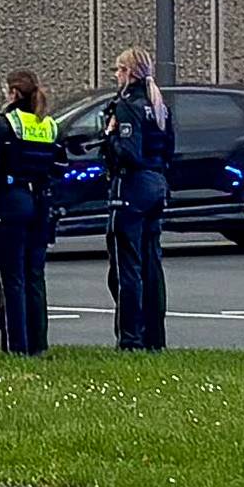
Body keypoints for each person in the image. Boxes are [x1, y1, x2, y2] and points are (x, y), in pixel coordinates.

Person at [0, 70, 61, 355]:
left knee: (12, 278)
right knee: (35, 276)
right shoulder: (48, 124)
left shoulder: (6, 124)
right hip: (41, 204)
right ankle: (38, 344)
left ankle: (17, 345)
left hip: (13, 202)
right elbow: (60, 166)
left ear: (13, 93)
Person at [102, 46, 172, 351]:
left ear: (129, 73)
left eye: (119, 70)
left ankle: (130, 338)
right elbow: (169, 149)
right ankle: (155, 337)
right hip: (157, 183)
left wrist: (110, 136)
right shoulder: (159, 106)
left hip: (131, 187)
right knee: (151, 264)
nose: (117, 76)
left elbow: (128, 152)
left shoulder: (127, 106)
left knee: (125, 266)